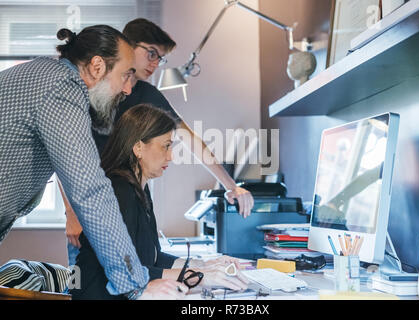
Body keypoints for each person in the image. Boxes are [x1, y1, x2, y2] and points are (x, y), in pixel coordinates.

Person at [0, 25, 186, 300]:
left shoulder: (45, 76)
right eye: (124, 75)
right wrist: (136, 284)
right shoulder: (61, 88)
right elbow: (89, 190)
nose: (126, 89)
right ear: (97, 66)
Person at [65, 18, 255, 263]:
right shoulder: (92, 90)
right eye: (151, 53)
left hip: (133, 198)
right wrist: (71, 212)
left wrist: (231, 185)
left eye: (160, 58)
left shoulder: (147, 94)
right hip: (89, 205)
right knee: (90, 281)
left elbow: (191, 139)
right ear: (127, 46)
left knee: (145, 270)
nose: (155, 64)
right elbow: (64, 157)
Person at [70, 104, 249, 299]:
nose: (171, 156)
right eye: (166, 146)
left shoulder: (140, 188)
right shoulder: (119, 189)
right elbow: (130, 271)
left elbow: (155, 259)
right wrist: (202, 276)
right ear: (138, 147)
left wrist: (204, 265)